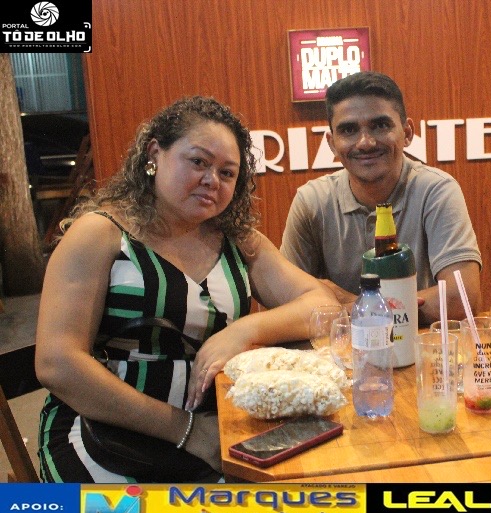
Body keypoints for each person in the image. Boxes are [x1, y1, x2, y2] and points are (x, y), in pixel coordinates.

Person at [35, 96, 339, 482]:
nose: (212, 180)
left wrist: (242, 331)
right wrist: (187, 431)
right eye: (198, 162)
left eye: (227, 173)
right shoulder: (100, 233)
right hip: (103, 436)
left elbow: (323, 306)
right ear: (154, 155)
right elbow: (57, 364)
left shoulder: (240, 241)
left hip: (216, 431)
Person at [280, 71, 482, 324]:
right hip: (340, 349)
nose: (365, 142)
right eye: (349, 130)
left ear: (407, 132)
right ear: (331, 143)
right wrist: (402, 305)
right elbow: (285, 305)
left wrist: (353, 304)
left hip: (416, 346)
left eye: (380, 125)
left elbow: (461, 300)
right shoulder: (312, 201)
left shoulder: (436, 190)